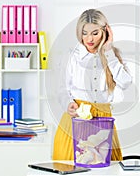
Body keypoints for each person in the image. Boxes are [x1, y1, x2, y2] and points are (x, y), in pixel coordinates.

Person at [53, 9, 132, 161]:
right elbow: (62, 88)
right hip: (75, 121)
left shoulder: (113, 55)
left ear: (105, 31)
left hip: (103, 122)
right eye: (84, 33)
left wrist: (109, 51)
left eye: (95, 33)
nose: (89, 38)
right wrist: (68, 104)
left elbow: (125, 82)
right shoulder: (71, 56)